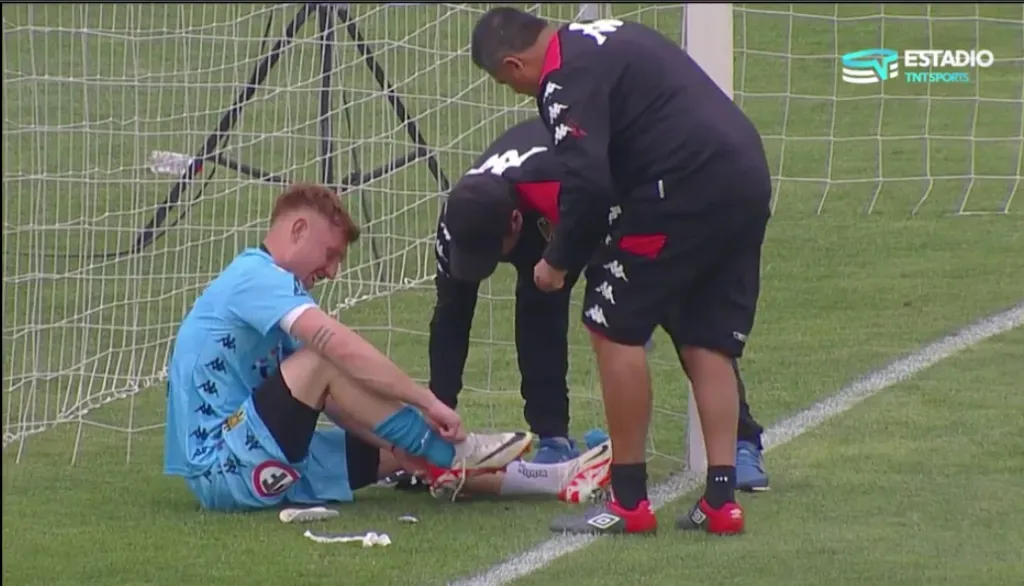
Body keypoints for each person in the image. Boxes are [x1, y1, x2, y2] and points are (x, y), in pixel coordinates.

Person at [470, 10, 774, 536]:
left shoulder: (563, 78)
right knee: (705, 337)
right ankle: (722, 503)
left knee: (610, 323)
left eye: (506, 81)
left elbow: (587, 182)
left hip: (683, 182)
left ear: (515, 63)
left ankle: (629, 500)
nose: (515, 92)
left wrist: (557, 260)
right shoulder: (604, 34)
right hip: (745, 174)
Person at [163, 182, 597, 512]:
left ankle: (552, 476)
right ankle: (451, 448)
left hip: (258, 456)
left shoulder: (276, 295)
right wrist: (427, 403)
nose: (332, 271)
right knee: (325, 358)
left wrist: (407, 440)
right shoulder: (256, 278)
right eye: (331, 253)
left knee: (404, 451)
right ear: (297, 229)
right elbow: (335, 355)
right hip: (222, 466)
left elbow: (333, 399)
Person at [435, 117, 770, 487]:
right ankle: (553, 436)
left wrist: (629, 307)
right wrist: (437, 416)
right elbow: (451, 321)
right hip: (547, 210)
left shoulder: (565, 184)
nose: (487, 263)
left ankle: (743, 442)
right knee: (537, 306)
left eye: (491, 253)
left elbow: (615, 226)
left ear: (514, 222)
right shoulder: (457, 221)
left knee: (679, 309)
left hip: (623, 196)